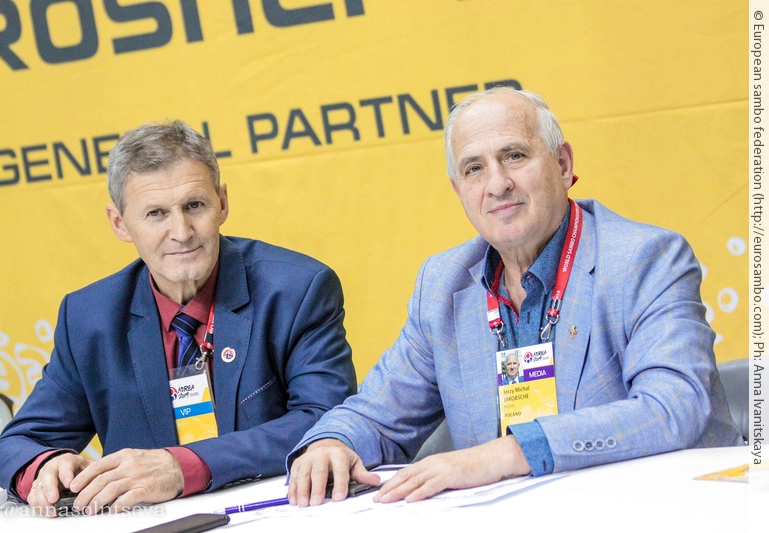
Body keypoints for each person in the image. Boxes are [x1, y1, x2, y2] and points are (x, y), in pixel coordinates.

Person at [286, 87, 742, 506]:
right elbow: (377, 415)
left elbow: (674, 407)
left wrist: (509, 453)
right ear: (459, 191)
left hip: (663, 508)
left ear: (562, 165)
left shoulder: (645, 258)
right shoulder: (443, 285)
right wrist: (332, 442)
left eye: (514, 156)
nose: (497, 183)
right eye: (474, 169)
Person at [0, 121, 356, 516]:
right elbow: (13, 449)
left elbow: (327, 421)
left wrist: (183, 466)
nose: (181, 232)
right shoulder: (90, 318)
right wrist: (45, 467)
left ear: (222, 203)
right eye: (156, 213)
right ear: (120, 224)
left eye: (194, 206)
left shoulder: (296, 290)